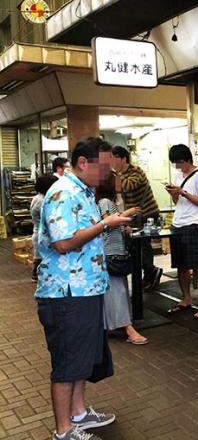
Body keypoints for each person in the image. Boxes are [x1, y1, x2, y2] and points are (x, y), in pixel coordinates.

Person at [35, 137, 132, 440]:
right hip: (67, 293)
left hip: (85, 289)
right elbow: (63, 243)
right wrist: (105, 224)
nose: (107, 173)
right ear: (82, 163)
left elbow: (80, 233)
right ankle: (63, 430)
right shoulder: (63, 192)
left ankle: (78, 414)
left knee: (81, 358)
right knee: (68, 362)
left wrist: (109, 222)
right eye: (103, 167)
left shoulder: (83, 191)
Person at [96, 173, 148, 346]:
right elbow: (107, 223)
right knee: (118, 292)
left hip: (114, 252)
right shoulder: (105, 202)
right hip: (111, 253)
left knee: (118, 292)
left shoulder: (108, 202)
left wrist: (124, 226)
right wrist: (127, 213)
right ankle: (128, 329)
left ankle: (114, 325)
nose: (120, 183)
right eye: (116, 181)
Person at [165, 144, 198, 319]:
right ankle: (185, 298)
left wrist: (183, 192)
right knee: (181, 265)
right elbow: (177, 202)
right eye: (174, 163)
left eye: (179, 162)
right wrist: (174, 193)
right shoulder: (178, 176)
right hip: (177, 224)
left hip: (193, 224)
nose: (177, 166)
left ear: (187, 159)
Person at [111, 146, 163, 290]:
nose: (111, 162)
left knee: (143, 245)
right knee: (134, 246)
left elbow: (126, 186)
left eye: (113, 158)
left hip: (147, 214)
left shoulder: (136, 171)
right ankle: (149, 273)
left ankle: (150, 272)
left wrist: (115, 174)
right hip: (134, 215)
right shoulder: (121, 173)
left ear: (123, 159)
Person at [30, 174, 58, 282]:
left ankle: (37, 276)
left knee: (39, 257)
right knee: (42, 260)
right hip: (42, 234)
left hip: (38, 232)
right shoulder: (42, 201)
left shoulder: (37, 198)